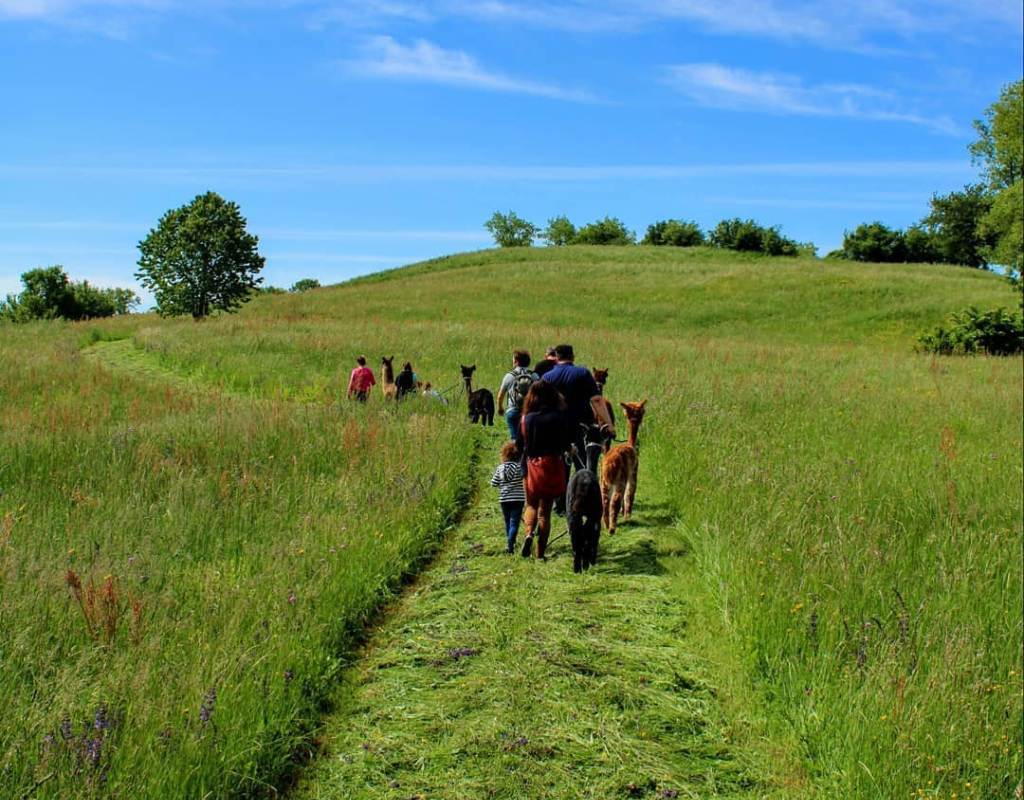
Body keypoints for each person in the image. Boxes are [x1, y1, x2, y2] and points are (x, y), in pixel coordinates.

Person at [519, 381, 570, 560]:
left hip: (530, 466)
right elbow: (565, 442)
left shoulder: (526, 418)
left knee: (531, 504)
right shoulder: (558, 417)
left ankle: (528, 534)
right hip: (551, 466)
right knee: (545, 512)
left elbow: (519, 445)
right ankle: (540, 553)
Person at [490, 440, 526, 554]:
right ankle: (511, 541)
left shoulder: (500, 468)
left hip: (504, 499)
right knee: (514, 522)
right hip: (518, 499)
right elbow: (525, 480)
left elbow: (493, 483)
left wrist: (502, 484)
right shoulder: (519, 467)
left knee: (507, 521)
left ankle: (510, 543)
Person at [497, 349, 538, 446]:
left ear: (516, 361)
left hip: (513, 410)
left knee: (515, 439)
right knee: (530, 439)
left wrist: (500, 408)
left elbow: (500, 395)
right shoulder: (534, 375)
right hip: (529, 412)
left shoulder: (509, 376)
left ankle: (516, 458)